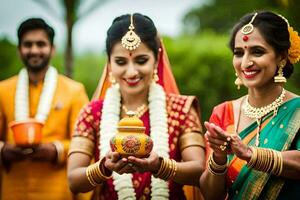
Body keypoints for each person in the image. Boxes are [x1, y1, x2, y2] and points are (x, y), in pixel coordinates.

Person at [67, 13, 206, 200]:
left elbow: (200, 171)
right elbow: (74, 181)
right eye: (121, 61)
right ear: (109, 62)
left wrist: (160, 166)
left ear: (157, 59)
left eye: (141, 61)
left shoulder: (181, 109)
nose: (131, 72)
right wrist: (104, 167)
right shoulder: (92, 113)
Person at [200, 11, 300, 200]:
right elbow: (211, 195)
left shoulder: (297, 110)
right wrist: (219, 159)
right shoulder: (224, 112)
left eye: (257, 51)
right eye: (239, 53)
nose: (245, 62)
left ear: (282, 56)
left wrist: (250, 154)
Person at [0, 18, 89, 199]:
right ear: (19, 50)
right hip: (13, 190)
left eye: (41, 44)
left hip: (57, 191)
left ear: (52, 49)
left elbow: (85, 144)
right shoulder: (2, 90)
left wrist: (56, 150)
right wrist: (3, 150)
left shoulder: (74, 90)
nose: (34, 50)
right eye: (28, 44)